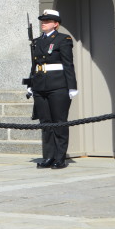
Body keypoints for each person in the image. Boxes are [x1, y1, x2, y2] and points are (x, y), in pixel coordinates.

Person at [27, 9, 77, 170]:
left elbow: (68, 64)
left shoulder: (63, 39)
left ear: (56, 24)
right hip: (40, 86)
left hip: (58, 86)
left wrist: (72, 87)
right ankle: (48, 156)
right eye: (42, 20)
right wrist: (30, 84)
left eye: (47, 21)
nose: (43, 23)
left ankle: (60, 158)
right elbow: (35, 66)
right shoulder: (36, 42)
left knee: (59, 123)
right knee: (45, 123)